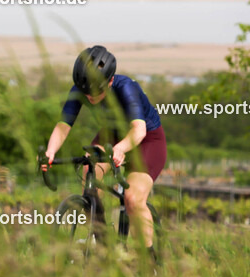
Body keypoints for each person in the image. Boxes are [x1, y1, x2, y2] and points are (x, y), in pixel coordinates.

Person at [42, 46, 166, 262]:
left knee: (133, 199)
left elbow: (139, 130)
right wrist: (50, 151)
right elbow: (64, 126)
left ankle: (149, 263)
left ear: (109, 81)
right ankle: (104, 246)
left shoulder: (126, 88)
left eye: (95, 90)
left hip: (146, 139)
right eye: (85, 90)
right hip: (111, 134)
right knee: (89, 175)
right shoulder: (82, 89)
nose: (89, 95)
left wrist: (120, 148)